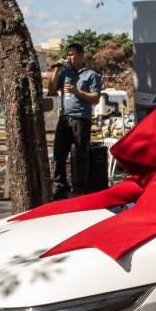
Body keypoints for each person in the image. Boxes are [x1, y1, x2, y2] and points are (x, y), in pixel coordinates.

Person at [47, 43, 102, 198]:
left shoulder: (91, 75)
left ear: (81, 55)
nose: (69, 57)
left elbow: (96, 98)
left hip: (81, 120)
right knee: (58, 155)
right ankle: (60, 188)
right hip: (64, 119)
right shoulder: (65, 73)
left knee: (79, 156)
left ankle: (79, 190)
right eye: (68, 55)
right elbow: (51, 90)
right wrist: (56, 70)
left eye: (72, 54)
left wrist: (76, 91)